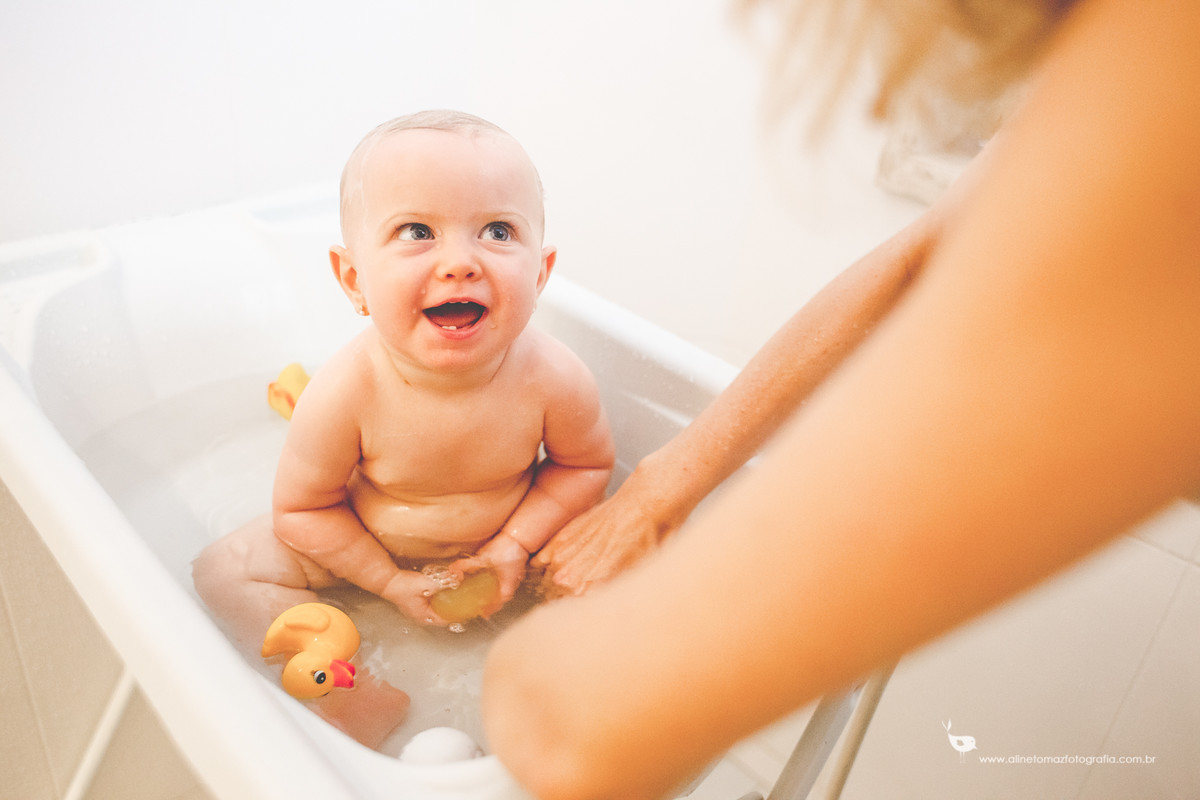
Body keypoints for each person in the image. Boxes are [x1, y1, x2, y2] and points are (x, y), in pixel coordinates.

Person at [481, 1, 1200, 798]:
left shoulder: (1167, 68)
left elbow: (570, 725)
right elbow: (923, 258)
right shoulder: (1125, 71)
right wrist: (657, 491)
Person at [193, 110, 614, 745]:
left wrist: (515, 544)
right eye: (417, 230)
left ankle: (588, 700)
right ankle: (349, 693)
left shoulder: (553, 377)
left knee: (633, 565)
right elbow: (303, 512)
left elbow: (584, 466)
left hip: (510, 544)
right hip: (369, 542)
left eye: (497, 230)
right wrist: (386, 579)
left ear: (541, 272)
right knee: (223, 571)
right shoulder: (345, 391)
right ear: (354, 279)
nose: (460, 262)